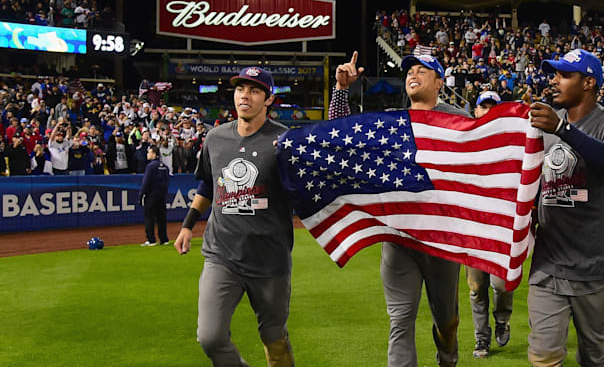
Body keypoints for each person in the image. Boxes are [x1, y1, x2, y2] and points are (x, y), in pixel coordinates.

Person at [330, 51, 468, 367]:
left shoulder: (460, 121)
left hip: (441, 241)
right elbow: (342, 140)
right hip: (398, 237)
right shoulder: (390, 123)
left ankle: (447, 354)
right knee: (399, 321)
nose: (412, 75)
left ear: (440, 81)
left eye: (422, 70)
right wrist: (341, 90)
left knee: (447, 320)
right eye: (409, 71)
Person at [173, 67, 296, 367]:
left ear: (268, 99)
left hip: (269, 260)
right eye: (241, 89)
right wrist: (188, 225)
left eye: (254, 91)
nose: (245, 96)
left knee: (274, 338)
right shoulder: (215, 138)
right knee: (210, 336)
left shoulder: (285, 142)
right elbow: (207, 185)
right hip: (222, 255)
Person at [526, 48, 604, 367]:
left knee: (593, 357)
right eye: (555, 75)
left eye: (564, 75)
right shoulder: (546, 130)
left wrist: (563, 131)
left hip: (598, 268)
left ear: (588, 83)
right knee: (543, 356)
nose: (555, 82)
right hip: (550, 264)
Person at [468, 90, 515, 359]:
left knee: (501, 284)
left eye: (492, 107)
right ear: (475, 111)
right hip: (474, 226)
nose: (487, 111)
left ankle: (502, 318)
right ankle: (481, 338)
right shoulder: (466, 140)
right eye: (483, 107)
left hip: (501, 226)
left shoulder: (511, 143)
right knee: (476, 289)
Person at [140, 144, 170, 246]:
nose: (147, 154)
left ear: (154, 154)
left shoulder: (150, 166)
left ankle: (151, 240)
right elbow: (167, 182)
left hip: (152, 195)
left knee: (149, 217)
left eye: (149, 152)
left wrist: (141, 194)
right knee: (161, 218)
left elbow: (146, 182)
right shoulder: (165, 167)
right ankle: (164, 239)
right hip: (162, 195)